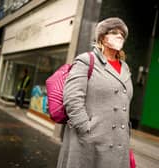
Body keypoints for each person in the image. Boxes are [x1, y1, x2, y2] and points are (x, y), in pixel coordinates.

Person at [57, 17, 133, 168]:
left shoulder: (125, 67)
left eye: (122, 34)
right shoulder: (86, 61)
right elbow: (72, 98)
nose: (119, 36)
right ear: (102, 38)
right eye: (114, 32)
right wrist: (86, 128)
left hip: (118, 144)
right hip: (89, 143)